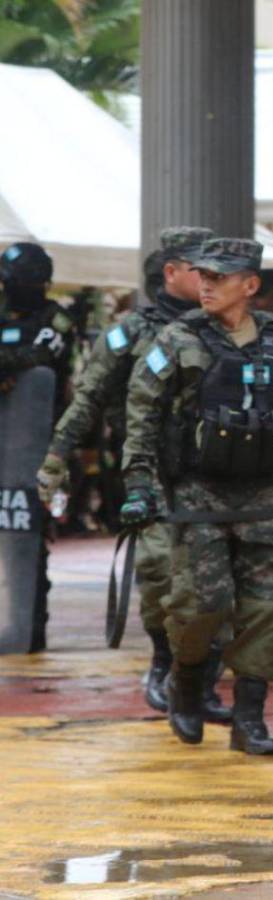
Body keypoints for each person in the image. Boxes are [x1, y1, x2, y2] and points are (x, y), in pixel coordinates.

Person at [122, 238, 273, 755]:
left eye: (218, 278)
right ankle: (185, 681)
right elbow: (142, 416)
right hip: (199, 495)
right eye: (202, 276)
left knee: (270, 606)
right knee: (203, 603)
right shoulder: (177, 340)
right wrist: (138, 485)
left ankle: (250, 720)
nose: (206, 285)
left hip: (264, 495)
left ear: (250, 285)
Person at [37, 228, 232, 720]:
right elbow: (88, 401)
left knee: (221, 586)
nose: (212, 279)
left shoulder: (226, 326)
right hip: (154, 476)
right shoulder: (129, 332)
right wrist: (56, 461)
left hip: (218, 477)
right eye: (200, 269)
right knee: (164, 580)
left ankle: (203, 684)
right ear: (171, 272)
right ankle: (166, 664)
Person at [0, 242, 76, 652]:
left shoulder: (57, 320)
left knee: (25, 533)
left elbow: (49, 358)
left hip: (34, 446)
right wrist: (21, 359)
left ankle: (29, 628)